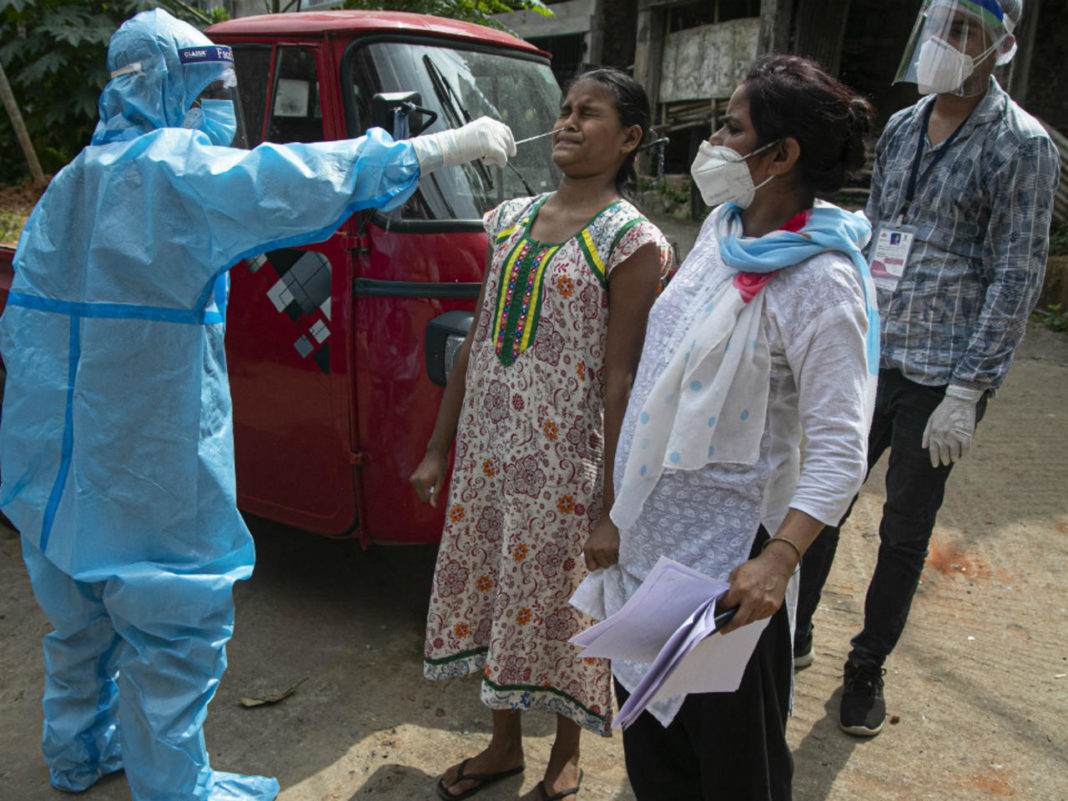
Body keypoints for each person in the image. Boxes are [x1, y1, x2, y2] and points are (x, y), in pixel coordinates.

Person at [0, 9, 514, 801]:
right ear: (169, 86)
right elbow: (292, 178)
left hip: (55, 452)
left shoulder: (71, 182)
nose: (217, 109)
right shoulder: (173, 175)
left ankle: (76, 751)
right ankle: (174, 788)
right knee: (172, 624)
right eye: (206, 88)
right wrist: (433, 147)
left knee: (82, 618)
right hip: (145, 449)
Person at [571, 54, 881, 801]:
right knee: (657, 751)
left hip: (732, 569)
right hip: (653, 550)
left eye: (731, 127)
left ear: (781, 156)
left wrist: (778, 559)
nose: (713, 140)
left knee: (736, 768)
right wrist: (612, 499)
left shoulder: (822, 283)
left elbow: (842, 449)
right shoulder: (721, 229)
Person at [794, 0, 1060, 738]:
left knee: (905, 529)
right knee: (825, 498)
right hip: (872, 350)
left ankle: (866, 664)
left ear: (1001, 44)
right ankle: (799, 630)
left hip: (944, 374)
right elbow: (877, 231)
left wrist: (969, 389)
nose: (947, 43)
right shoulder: (906, 124)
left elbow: (1017, 274)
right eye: (941, 25)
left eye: (967, 30)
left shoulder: (1023, 146)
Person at [411, 68, 671, 801]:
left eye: (588, 114)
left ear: (628, 139)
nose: (567, 123)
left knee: (563, 608)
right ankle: (500, 747)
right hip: (490, 459)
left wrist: (612, 503)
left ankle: (565, 752)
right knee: (498, 593)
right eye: (563, 111)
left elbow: (623, 379)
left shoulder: (632, 240)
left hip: (566, 467)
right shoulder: (509, 219)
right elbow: (476, 341)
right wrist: (438, 445)